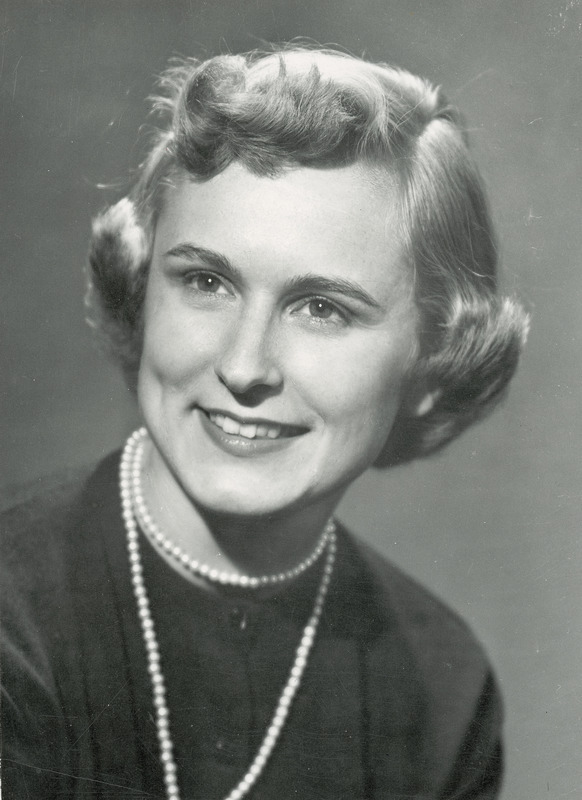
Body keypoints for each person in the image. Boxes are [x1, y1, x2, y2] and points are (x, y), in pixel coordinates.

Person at [1, 46, 529, 799]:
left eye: (323, 308)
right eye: (205, 282)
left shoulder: (441, 686)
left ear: (432, 361)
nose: (245, 367)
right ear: (141, 286)